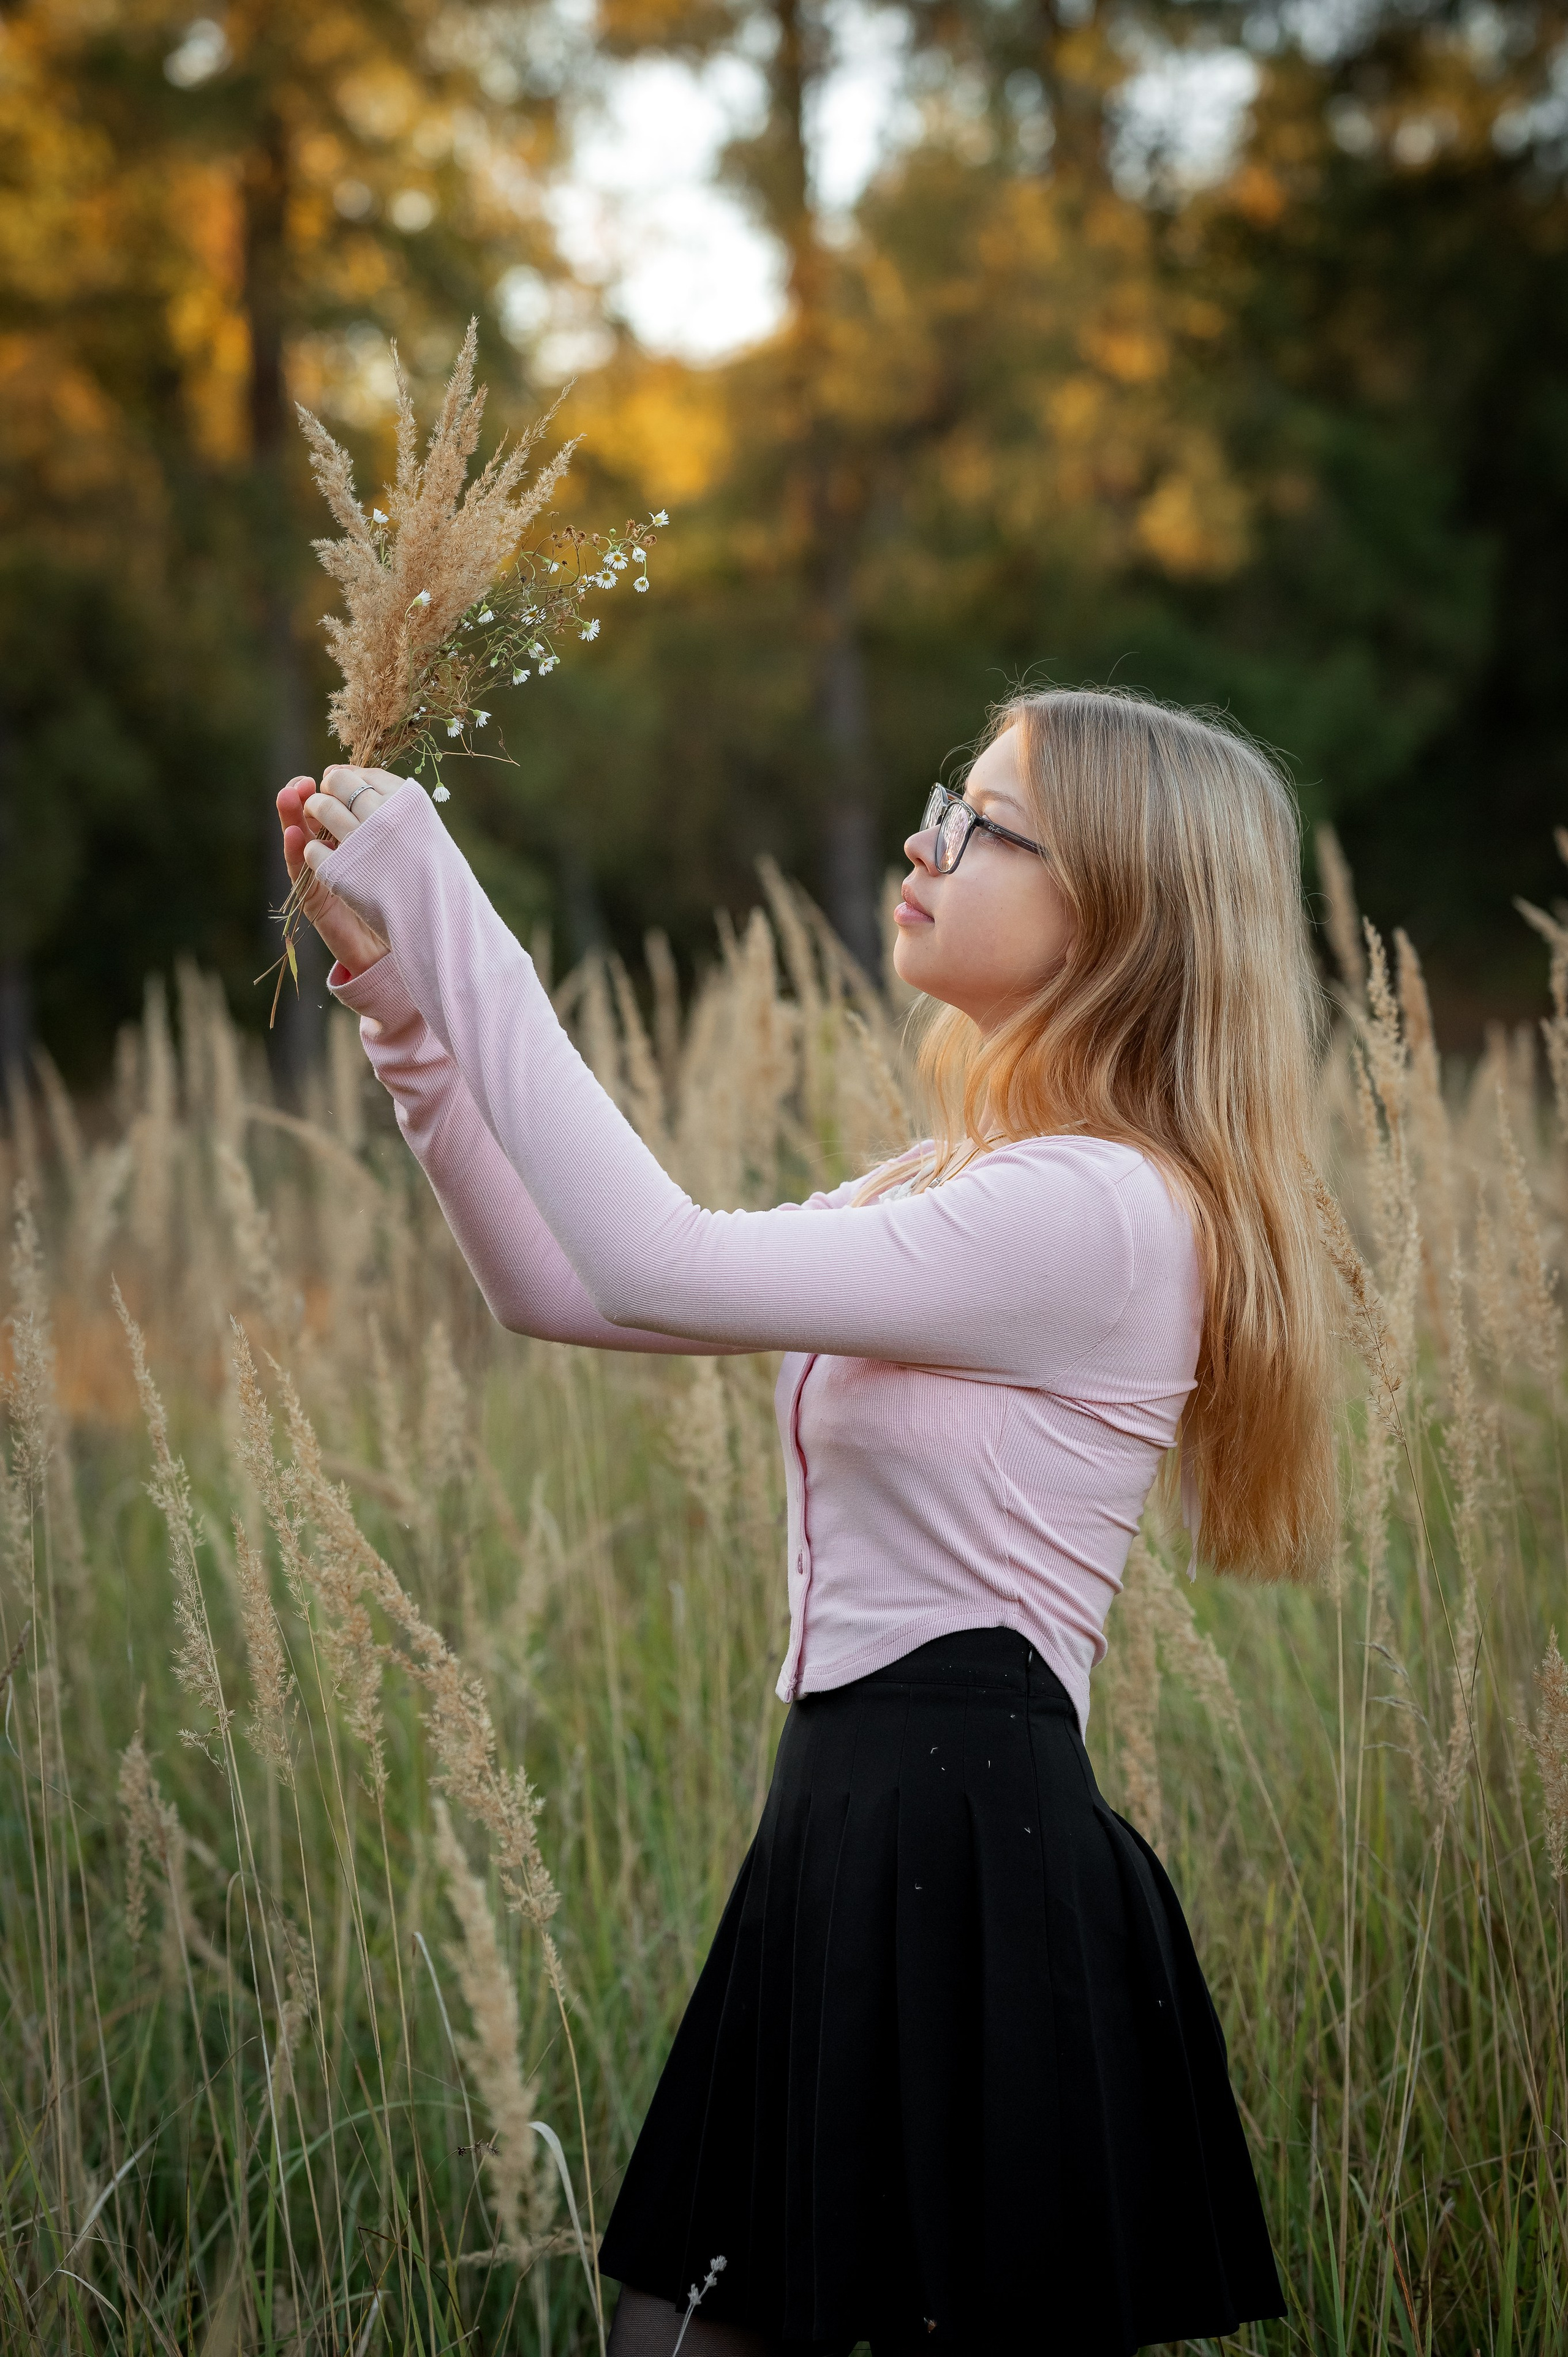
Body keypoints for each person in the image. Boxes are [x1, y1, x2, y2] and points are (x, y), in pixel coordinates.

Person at [276, 687, 1336, 2356]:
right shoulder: (958, 1179)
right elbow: (567, 1287)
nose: (928, 841)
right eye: (946, 800)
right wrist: (400, 996)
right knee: (676, 2335)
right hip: (848, 1827)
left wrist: (448, 893)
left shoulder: (1104, 1211)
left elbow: (658, 1256)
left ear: (1120, 908)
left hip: (969, 1847)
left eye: (985, 825)